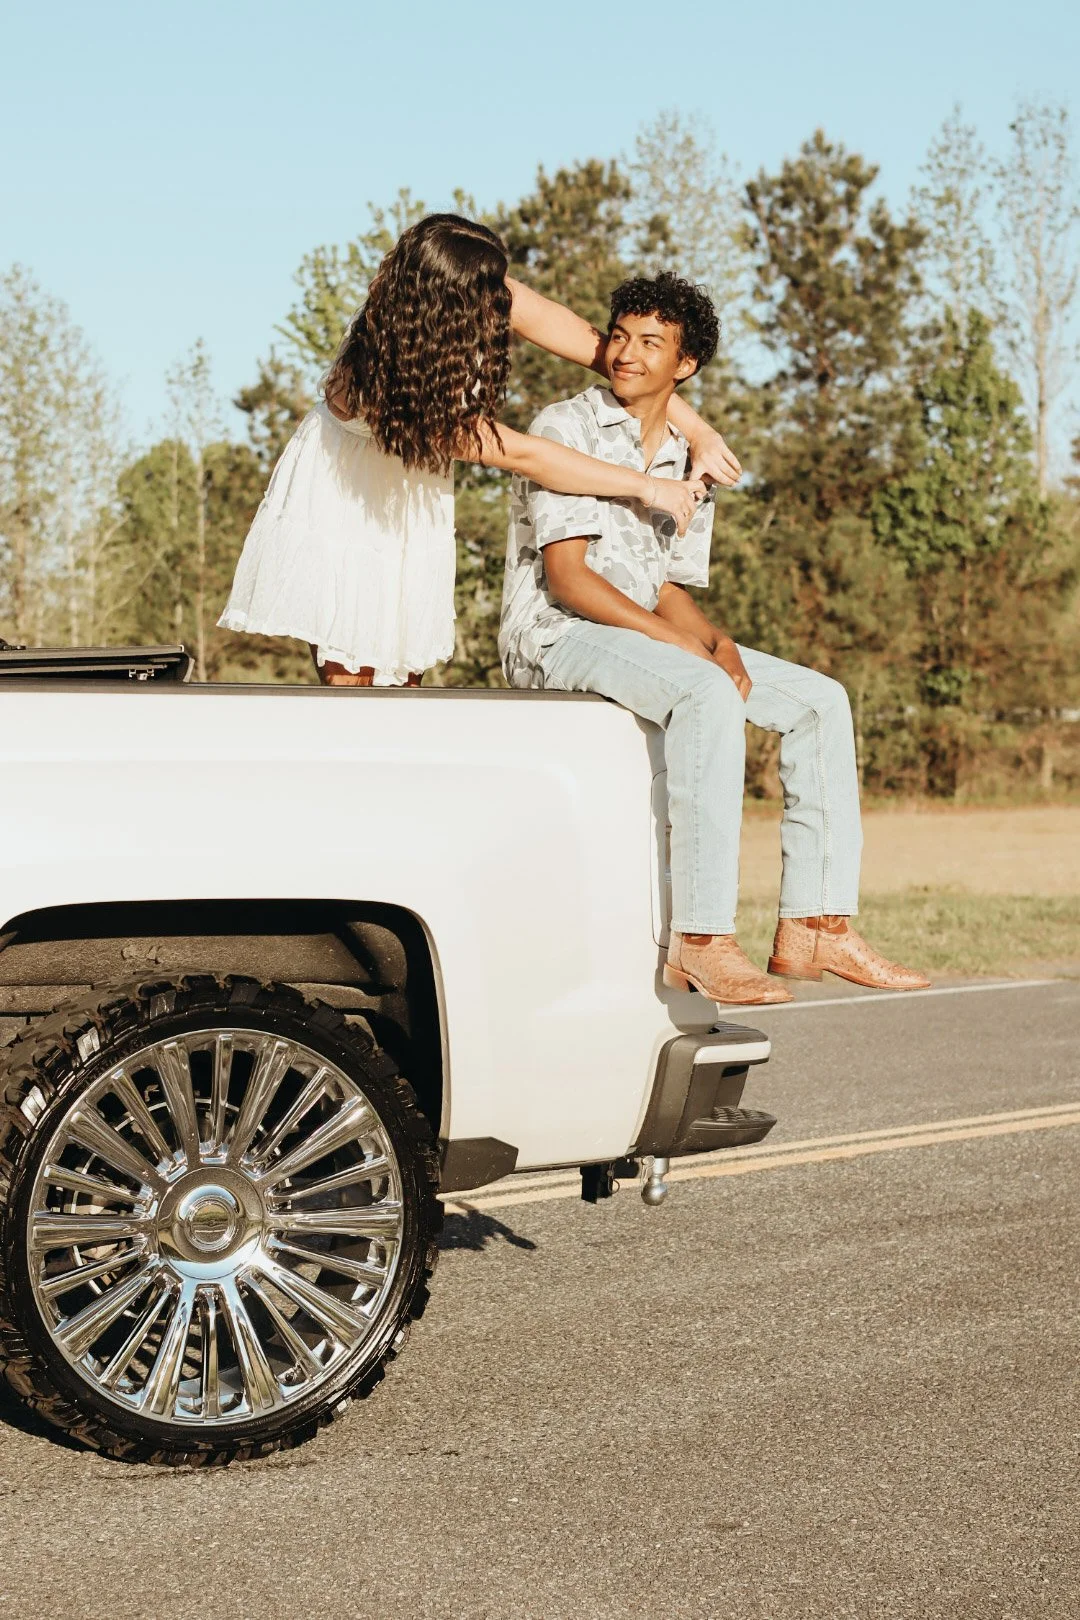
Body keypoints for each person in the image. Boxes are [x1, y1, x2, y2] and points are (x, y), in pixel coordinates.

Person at [498, 271, 931, 1005]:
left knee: (819, 701)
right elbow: (569, 580)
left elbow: (664, 586)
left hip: (638, 631)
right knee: (703, 691)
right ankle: (701, 940)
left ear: (685, 364)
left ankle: (816, 925)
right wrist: (684, 653)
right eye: (622, 337)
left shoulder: (687, 459)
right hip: (554, 636)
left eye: (652, 343)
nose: (628, 354)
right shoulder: (562, 427)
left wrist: (717, 641)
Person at [219, 214, 739, 686]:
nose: (502, 299)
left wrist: (699, 431)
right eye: (488, 291)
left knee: (404, 674)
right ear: (444, 299)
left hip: (412, 488)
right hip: (347, 490)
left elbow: (613, 360)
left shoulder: (477, 290)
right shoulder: (379, 383)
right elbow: (525, 455)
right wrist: (650, 487)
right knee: (351, 674)